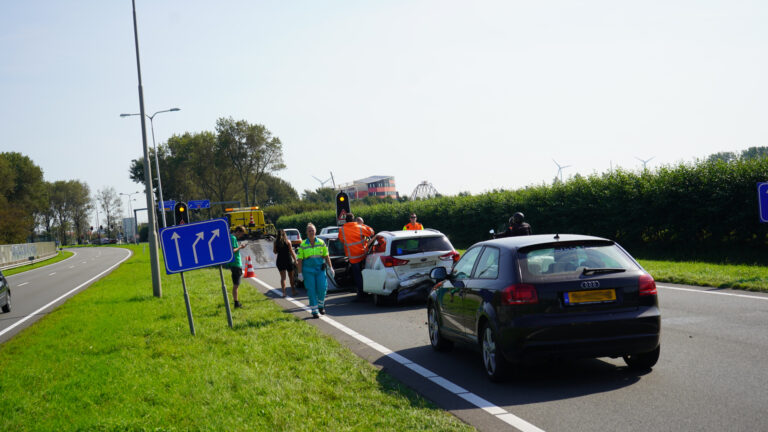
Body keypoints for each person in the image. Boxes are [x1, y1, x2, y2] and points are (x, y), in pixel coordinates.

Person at [296, 223, 334, 318]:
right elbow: (299, 260)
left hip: (320, 269)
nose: (311, 232)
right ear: (306, 233)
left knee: (322, 288)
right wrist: (300, 273)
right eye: (309, 231)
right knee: (311, 290)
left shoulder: (321, 243)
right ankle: (314, 310)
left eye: (312, 230)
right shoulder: (303, 244)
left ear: (315, 231)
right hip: (308, 271)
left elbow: (326, 256)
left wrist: (331, 267)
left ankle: (321, 305)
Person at [338, 213, 375, 301]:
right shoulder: (359, 227)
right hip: (363, 254)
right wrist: (362, 224)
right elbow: (372, 232)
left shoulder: (342, 230)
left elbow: (342, 240)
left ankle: (361, 293)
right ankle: (370, 291)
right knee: (366, 273)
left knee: (357, 275)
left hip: (353, 257)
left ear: (345, 220)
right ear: (353, 219)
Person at [227, 226, 248, 308]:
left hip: (234, 264)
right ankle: (236, 303)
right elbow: (233, 250)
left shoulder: (231, 237)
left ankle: (236, 302)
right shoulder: (233, 238)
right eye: (241, 234)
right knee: (236, 284)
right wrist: (240, 247)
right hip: (235, 264)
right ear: (238, 231)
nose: (241, 236)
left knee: (236, 284)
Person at [274, 229, 298, 297]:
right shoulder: (288, 242)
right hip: (288, 260)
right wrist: (295, 260)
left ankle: (284, 293)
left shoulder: (276, 242)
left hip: (280, 261)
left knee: (283, 277)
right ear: (285, 234)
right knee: (291, 277)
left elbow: (275, 252)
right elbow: (291, 251)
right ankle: (293, 291)